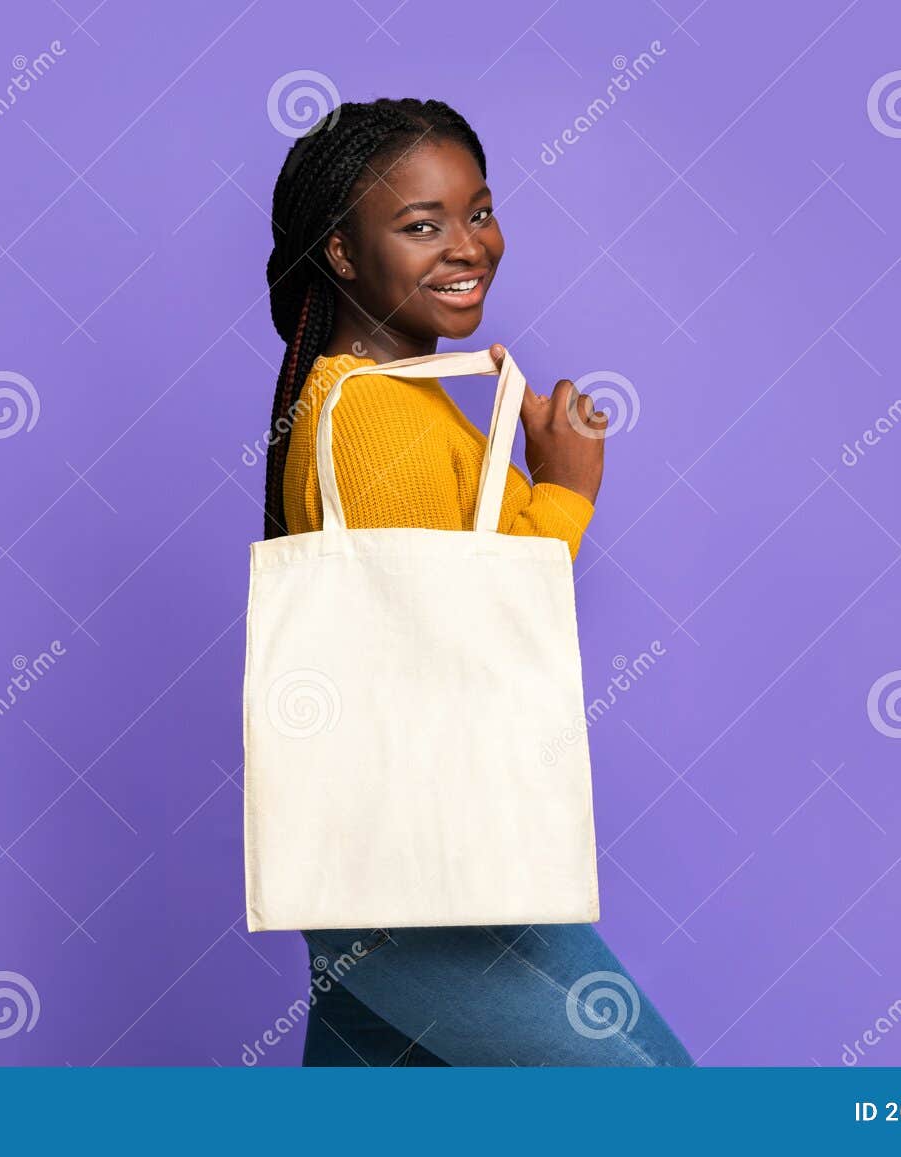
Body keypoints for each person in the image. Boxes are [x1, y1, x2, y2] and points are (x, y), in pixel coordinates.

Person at [260, 97, 692, 1067]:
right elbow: (456, 637)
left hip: (393, 872)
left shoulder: (382, 402)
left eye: (479, 211)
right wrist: (568, 492)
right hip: (421, 872)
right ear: (339, 253)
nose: (468, 246)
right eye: (421, 225)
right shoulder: (376, 421)